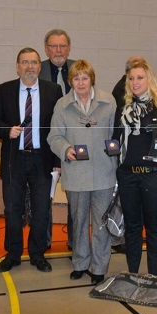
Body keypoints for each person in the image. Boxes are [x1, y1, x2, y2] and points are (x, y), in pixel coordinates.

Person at [0, 47, 62, 273]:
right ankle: (13, 254)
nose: (30, 66)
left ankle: (37, 254)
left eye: (34, 62)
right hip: (14, 160)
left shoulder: (53, 90)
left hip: (43, 159)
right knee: (12, 208)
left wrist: (58, 160)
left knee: (41, 209)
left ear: (40, 66)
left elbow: (60, 126)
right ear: (17, 66)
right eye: (25, 62)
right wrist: (6, 130)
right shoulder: (4, 90)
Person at [48, 59, 117, 284]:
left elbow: (118, 134)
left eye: (84, 78)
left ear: (91, 79)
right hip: (76, 173)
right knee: (78, 222)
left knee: (100, 223)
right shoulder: (62, 105)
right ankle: (80, 262)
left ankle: (99, 267)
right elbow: (54, 136)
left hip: (104, 173)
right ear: (70, 81)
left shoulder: (109, 102)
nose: (80, 82)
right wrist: (65, 149)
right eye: (76, 78)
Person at [115, 58, 157, 276]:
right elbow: (116, 139)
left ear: (149, 79)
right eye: (131, 78)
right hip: (128, 176)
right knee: (132, 228)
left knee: (154, 227)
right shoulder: (123, 107)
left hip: (155, 176)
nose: (135, 82)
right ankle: (133, 273)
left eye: (140, 77)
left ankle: (153, 275)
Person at [39, 28, 76, 250]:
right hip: (45, 145)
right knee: (44, 197)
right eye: (53, 46)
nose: (58, 50)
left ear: (69, 48)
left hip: (74, 145)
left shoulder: (80, 70)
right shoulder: (37, 69)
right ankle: (43, 242)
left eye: (62, 46)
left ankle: (75, 242)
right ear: (46, 48)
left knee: (76, 199)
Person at [110, 56, 143, 254]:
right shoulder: (121, 90)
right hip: (124, 158)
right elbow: (117, 129)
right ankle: (119, 238)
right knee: (121, 203)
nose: (136, 81)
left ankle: (130, 235)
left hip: (138, 161)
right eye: (133, 74)